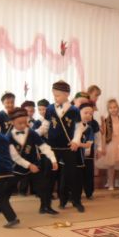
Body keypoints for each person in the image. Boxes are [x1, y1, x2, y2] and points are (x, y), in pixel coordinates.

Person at [37, 80, 84, 212]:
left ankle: (75, 201)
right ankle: (45, 205)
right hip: (52, 148)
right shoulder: (50, 109)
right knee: (49, 176)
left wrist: (76, 141)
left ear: (66, 94)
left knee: (72, 175)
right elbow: (45, 126)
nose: (55, 98)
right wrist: (34, 134)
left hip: (68, 147)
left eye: (57, 95)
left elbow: (79, 127)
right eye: (54, 95)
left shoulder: (74, 110)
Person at [8, 107, 59, 214]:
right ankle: (1, 206)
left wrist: (53, 159)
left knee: (43, 186)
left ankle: (45, 207)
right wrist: (29, 165)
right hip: (16, 167)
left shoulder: (31, 133)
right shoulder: (8, 137)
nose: (23, 125)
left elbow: (43, 146)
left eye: (25, 122)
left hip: (34, 165)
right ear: (12, 122)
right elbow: (15, 157)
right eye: (20, 123)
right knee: (6, 188)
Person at [96, 99, 119, 191]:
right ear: (108, 109)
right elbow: (103, 135)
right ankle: (111, 184)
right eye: (111, 108)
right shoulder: (106, 120)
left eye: (115, 107)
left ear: (118, 108)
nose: (113, 109)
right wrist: (103, 147)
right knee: (111, 166)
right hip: (111, 144)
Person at [78, 102, 100, 200]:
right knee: (77, 174)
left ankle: (89, 192)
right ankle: (76, 193)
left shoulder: (93, 124)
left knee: (89, 172)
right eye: (85, 112)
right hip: (77, 154)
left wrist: (99, 149)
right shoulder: (74, 124)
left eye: (90, 113)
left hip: (89, 153)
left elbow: (97, 137)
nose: (88, 115)